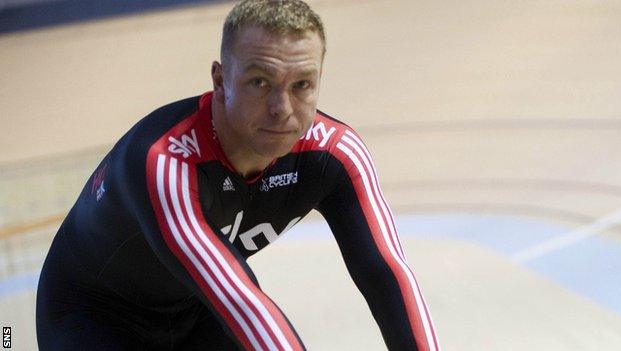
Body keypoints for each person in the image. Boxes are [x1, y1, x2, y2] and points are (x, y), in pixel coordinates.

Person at [36, 0, 440, 350]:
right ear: (220, 80)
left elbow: (387, 273)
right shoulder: (165, 160)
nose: (282, 107)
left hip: (196, 309)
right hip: (94, 317)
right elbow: (239, 301)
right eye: (259, 82)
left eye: (302, 85)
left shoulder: (335, 152)